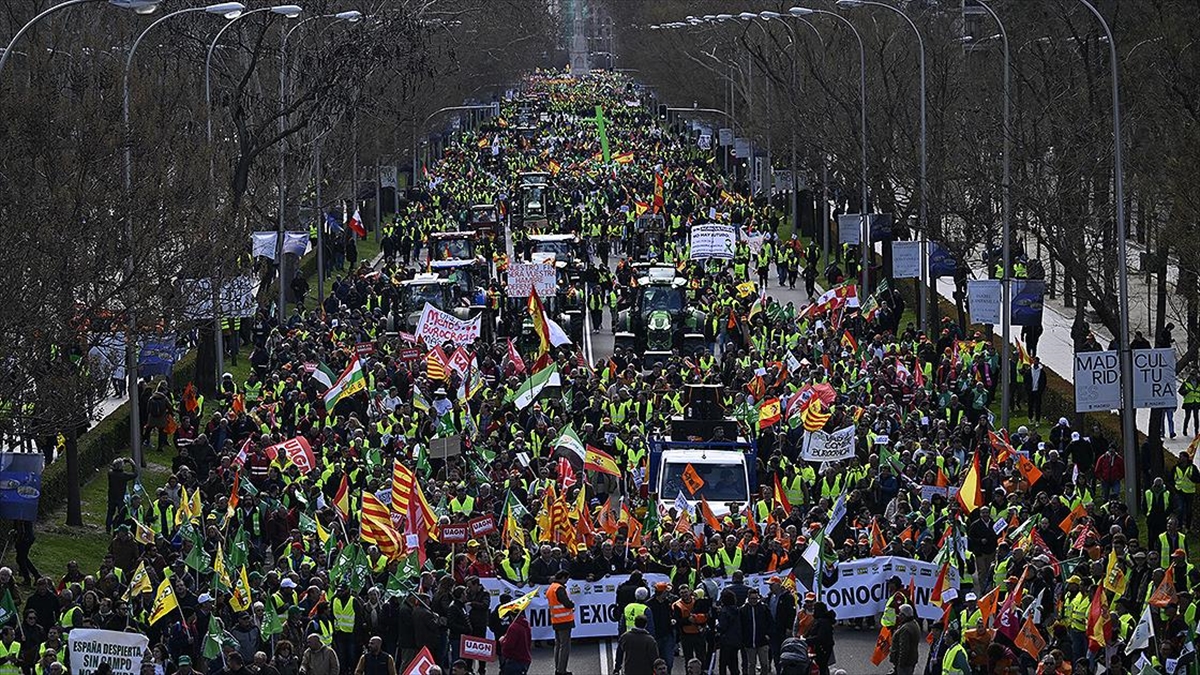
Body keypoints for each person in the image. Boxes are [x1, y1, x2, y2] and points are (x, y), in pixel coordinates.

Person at [547, 570, 575, 675]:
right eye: (566, 579)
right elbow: (567, 603)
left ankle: (558, 668)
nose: (567, 581)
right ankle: (562, 670)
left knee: (558, 645)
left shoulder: (551, 588)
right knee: (565, 647)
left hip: (556, 620)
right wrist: (572, 604)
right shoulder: (559, 588)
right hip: (564, 620)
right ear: (562, 577)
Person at [739, 588, 772, 675]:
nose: (754, 600)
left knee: (765, 664)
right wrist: (743, 639)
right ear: (748, 598)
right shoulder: (743, 610)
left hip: (763, 641)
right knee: (751, 664)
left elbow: (770, 622)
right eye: (752, 598)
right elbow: (740, 625)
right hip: (749, 642)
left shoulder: (764, 608)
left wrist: (768, 634)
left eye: (756, 598)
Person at [498, 607, 532, 675]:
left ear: (511, 615)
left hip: (514, 660)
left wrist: (502, 640)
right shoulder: (526, 624)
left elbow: (508, 646)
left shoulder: (513, 627)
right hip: (524, 659)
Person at [889, 604, 921, 675]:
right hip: (910, 660)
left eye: (900, 613)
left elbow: (904, 648)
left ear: (904, 615)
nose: (898, 615)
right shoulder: (914, 624)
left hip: (905, 664)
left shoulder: (905, 629)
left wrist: (900, 664)